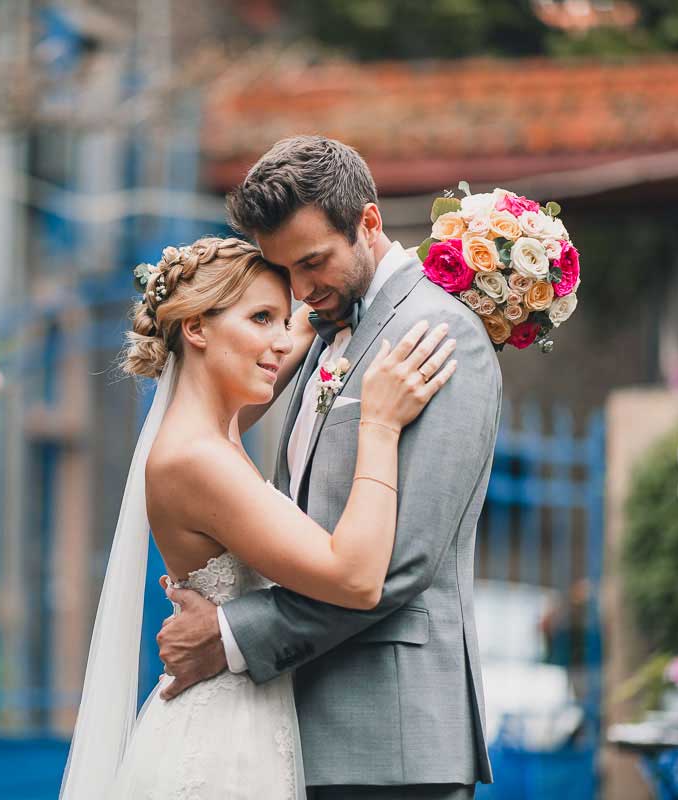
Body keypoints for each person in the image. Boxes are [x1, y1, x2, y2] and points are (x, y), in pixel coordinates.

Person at [155, 136, 503, 799]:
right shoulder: (323, 330)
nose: (301, 289)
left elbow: (402, 564)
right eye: (285, 270)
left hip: (391, 742)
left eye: (313, 262)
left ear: (369, 223)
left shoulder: (438, 333)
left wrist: (231, 635)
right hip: (300, 729)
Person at [60, 232, 458, 799]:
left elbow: (298, 332)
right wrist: (380, 424)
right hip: (223, 748)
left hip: (251, 721)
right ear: (195, 328)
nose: (278, 340)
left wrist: (455, 249)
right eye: (260, 319)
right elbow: (356, 576)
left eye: (281, 319)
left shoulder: (213, 427)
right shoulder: (198, 459)